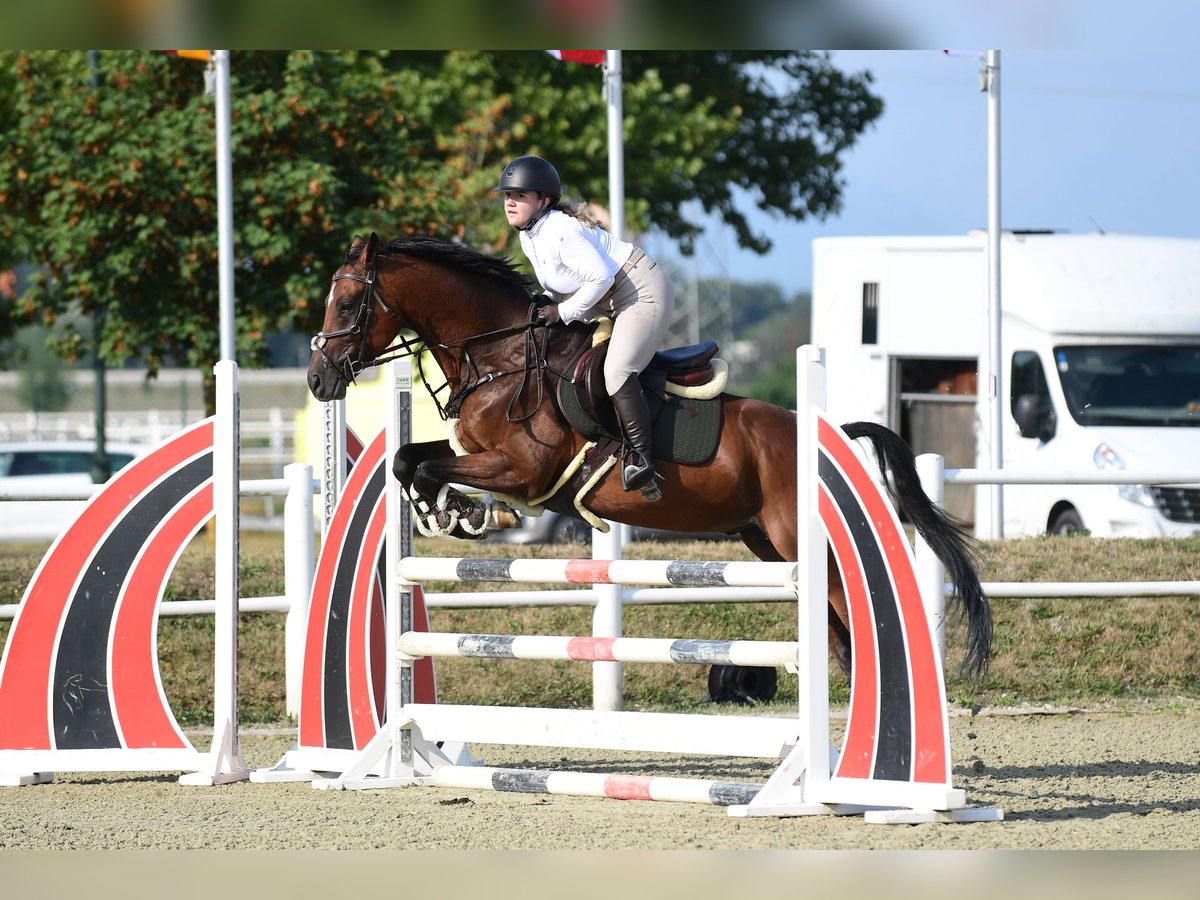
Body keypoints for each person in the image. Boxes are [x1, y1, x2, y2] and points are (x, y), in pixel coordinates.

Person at [493, 155, 675, 499]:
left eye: (520, 196)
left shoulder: (561, 231)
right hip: (605, 296)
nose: (510, 203)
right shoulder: (529, 234)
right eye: (507, 196)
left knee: (617, 372)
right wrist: (545, 301)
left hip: (640, 291)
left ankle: (642, 460)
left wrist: (561, 313)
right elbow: (560, 283)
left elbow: (601, 277)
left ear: (544, 201)